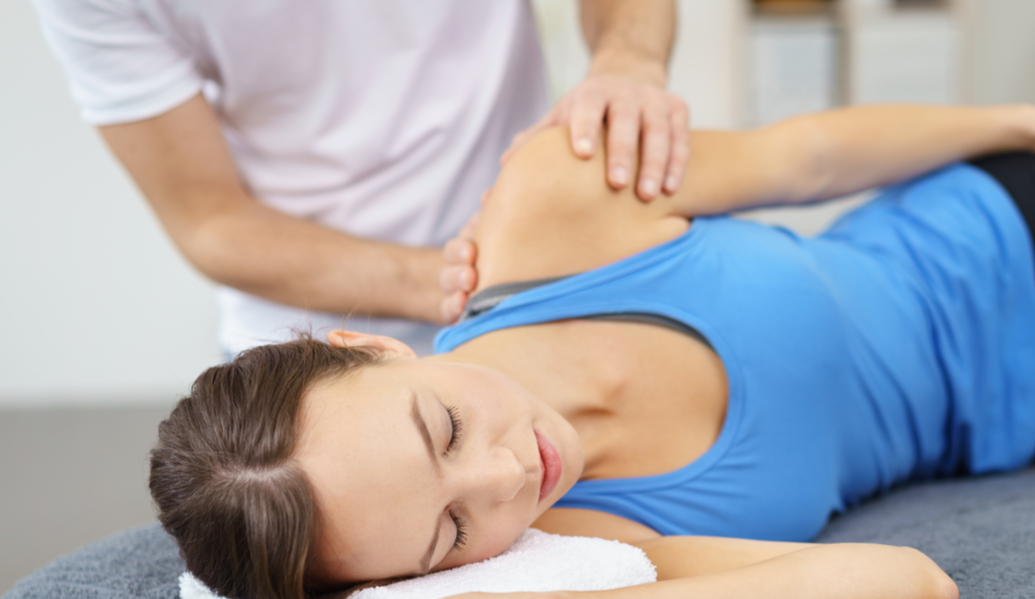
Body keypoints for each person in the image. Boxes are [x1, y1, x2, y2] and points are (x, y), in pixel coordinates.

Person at [149, 102, 1035, 599]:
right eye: (449, 533)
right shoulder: (580, 542)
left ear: (367, 344)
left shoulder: (551, 209)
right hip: (1018, 433)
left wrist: (1021, 122)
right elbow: (910, 589)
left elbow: (805, 160)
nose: (510, 478)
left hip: (1014, 255)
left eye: (448, 430)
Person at [30, 0, 689, 356]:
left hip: (541, 285)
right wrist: (450, 279)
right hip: (315, 337)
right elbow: (209, 220)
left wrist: (627, 63)